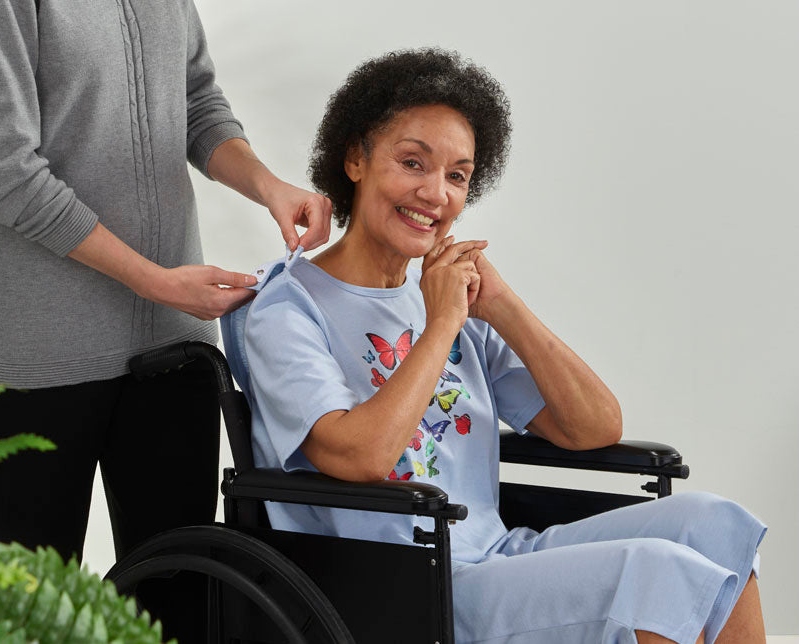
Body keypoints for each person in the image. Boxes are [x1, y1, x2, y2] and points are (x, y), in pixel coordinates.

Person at [226, 49, 766, 643]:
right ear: (355, 158)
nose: (435, 193)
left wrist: (502, 305)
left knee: (715, 524)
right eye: (412, 162)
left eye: (457, 176)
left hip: (496, 553)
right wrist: (440, 325)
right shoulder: (288, 308)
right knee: (657, 575)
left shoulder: (448, 294)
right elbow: (361, 459)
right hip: (404, 583)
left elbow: (595, 427)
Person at [0, 0, 330, 640]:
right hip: (35, 355)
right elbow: (5, 173)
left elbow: (197, 101)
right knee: (17, 620)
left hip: (173, 353)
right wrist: (157, 281)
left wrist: (269, 187)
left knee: (179, 608)